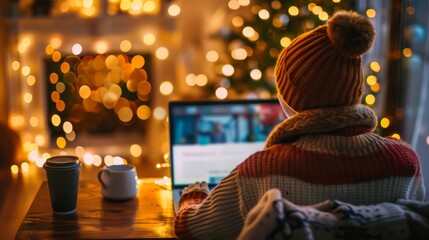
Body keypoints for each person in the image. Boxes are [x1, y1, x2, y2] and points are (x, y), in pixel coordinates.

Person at [174, 11, 426, 239]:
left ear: (291, 101)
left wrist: (192, 196)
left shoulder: (260, 171)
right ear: (354, 90)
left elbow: (191, 228)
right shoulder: (405, 162)